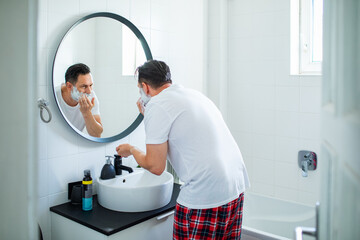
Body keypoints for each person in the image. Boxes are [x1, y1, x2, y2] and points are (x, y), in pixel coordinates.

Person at [116, 60, 250, 239]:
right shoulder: (192, 95)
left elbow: (155, 167)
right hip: (234, 186)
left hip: (205, 192)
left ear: (145, 87)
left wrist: (131, 149)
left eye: (139, 88)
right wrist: (148, 115)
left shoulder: (157, 105)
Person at [56, 63, 103, 137]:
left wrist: (87, 113)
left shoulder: (91, 97)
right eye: (84, 86)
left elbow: (97, 135)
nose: (89, 91)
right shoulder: (54, 96)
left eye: (90, 85)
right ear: (69, 86)